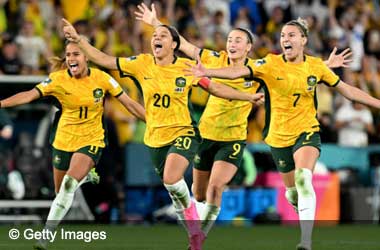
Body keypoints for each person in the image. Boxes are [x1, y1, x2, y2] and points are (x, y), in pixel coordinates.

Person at [135, 4, 352, 249]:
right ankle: (198, 224)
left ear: (248, 47)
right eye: (230, 39)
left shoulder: (257, 69)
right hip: (206, 135)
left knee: (217, 186)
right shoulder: (213, 59)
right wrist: (155, 23)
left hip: (234, 138)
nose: (232, 44)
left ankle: (199, 237)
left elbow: (292, 67)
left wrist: (324, 64)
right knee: (199, 193)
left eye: (238, 40)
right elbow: (182, 44)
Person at [62, 18, 264, 250]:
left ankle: (198, 232)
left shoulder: (189, 68)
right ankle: (194, 230)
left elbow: (216, 87)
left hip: (188, 133)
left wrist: (250, 97)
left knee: (184, 180)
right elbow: (104, 59)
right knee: (193, 193)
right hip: (157, 137)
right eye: (154, 35)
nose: (156, 38)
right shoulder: (141, 63)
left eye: (163, 36)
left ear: (173, 45)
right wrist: (79, 41)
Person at [185, 17, 376, 250]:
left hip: (306, 132)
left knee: (304, 178)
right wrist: (208, 71)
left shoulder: (316, 66)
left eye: (291, 35)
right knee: (293, 192)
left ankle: (305, 242)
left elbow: (348, 91)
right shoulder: (269, 64)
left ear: (304, 40)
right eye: (283, 35)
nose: (285, 39)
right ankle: (294, 199)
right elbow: (237, 73)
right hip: (278, 137)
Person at [0, 40, 146, 250]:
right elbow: (29, 95)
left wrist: (152, 121)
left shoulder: (102, 78)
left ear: (86, 56)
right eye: (68, 55)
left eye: (76, 54)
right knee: (61, 193)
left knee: (69, 184)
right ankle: (85, 177)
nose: (71, 59)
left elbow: (129, 103)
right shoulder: (58, 80)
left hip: (91, 140)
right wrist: (1, 103)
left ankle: (46, 236)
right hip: (63, 141)